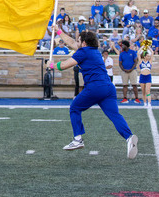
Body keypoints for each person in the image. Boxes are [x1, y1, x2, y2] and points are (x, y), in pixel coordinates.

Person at [49, 28, 138, 158]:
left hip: (95, 87)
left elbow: (64, 66)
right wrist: (58, 31)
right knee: (114, 115)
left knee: (74, 108)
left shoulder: (83, 52)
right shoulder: (94, 51)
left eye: (79, 40)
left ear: (84, 43)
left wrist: (51, 66)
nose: (77, 42)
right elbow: (71, 42)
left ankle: (77, 139)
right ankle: (129, 137)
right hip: (108, 87)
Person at [138, 41, 153, 107]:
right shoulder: (141, 61)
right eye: (147, 56)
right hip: (142, 76)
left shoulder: (150, 62)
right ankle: (144, 102)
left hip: (148, 76)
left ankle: (149, 103)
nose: (149, 57)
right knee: (143, 91)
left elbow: (152, 53)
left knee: (148, 90)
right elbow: (138, 53)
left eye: (149, 56)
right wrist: (142, 47)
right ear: (144, 56)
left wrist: (148, 47)